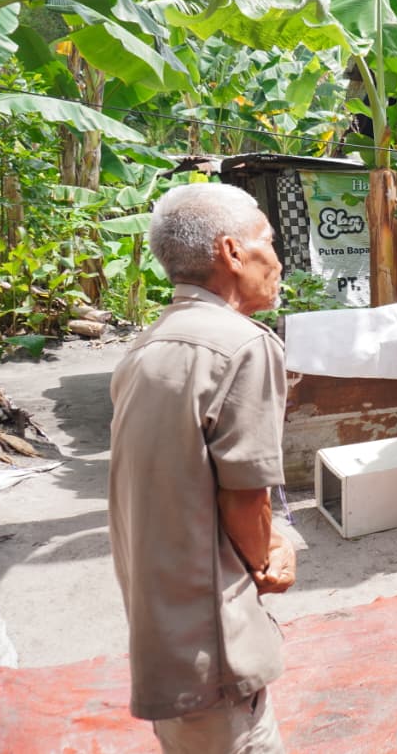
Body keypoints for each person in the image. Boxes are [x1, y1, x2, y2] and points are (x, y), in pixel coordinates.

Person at [109, 182, 296, 751]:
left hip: (165, 635)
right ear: (232, 253)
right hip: (214, 646)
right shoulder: (242, 344)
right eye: (267, 240)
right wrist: (272, 554)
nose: (278, 258)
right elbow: (245, 499)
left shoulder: (147, 346)